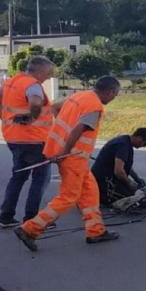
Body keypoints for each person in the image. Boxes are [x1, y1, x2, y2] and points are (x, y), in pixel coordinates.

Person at [14, 76, 124, 251]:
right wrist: (65, 151)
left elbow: (56, 107)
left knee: (90, 191)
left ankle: (95, 231)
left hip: (69, 154)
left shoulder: (80, 96)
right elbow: (79, 129)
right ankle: (30, 229)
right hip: (73, 157)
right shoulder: (94, 106)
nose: (114, 98)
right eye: (115, 94)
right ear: (110, 91)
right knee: (68, 197)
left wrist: (62, 144)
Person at [0, 55, 56, 228]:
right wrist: (32, 118)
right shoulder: (33, 85)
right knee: (40, 179)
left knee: (18, 176)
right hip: (35, 140)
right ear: (40, 70)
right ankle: (31, 219)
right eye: (48, 73)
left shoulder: (12, 81)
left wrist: (7, 120)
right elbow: (35, 103)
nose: (49, 77)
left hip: (14, 138)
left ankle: (5, 216)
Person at [92, 127, 146, 206]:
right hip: (103, 180)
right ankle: (99, 195)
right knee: (133, 198)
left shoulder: (126, 142)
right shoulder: (123, 145)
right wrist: (130, 183)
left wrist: (137, 179)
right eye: (144, 143)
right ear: (139, 138)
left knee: (137, 193)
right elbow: (118, 171)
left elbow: (125, 165)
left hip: (109, 178)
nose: (144, 146)